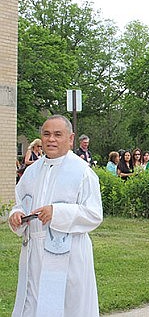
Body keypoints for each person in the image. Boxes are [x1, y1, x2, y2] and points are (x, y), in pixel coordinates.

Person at [8, 114, 103, 316]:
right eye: (47, 134)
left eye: (58, 134)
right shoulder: (32, 171)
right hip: (35, 255)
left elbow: (94, 214)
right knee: (34, 304)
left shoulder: (82, 171)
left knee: (66, 306)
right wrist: (16, 215)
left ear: (70, 138)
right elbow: (20, 203)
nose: (51, 139)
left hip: (69, 255)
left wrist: (56, 212)